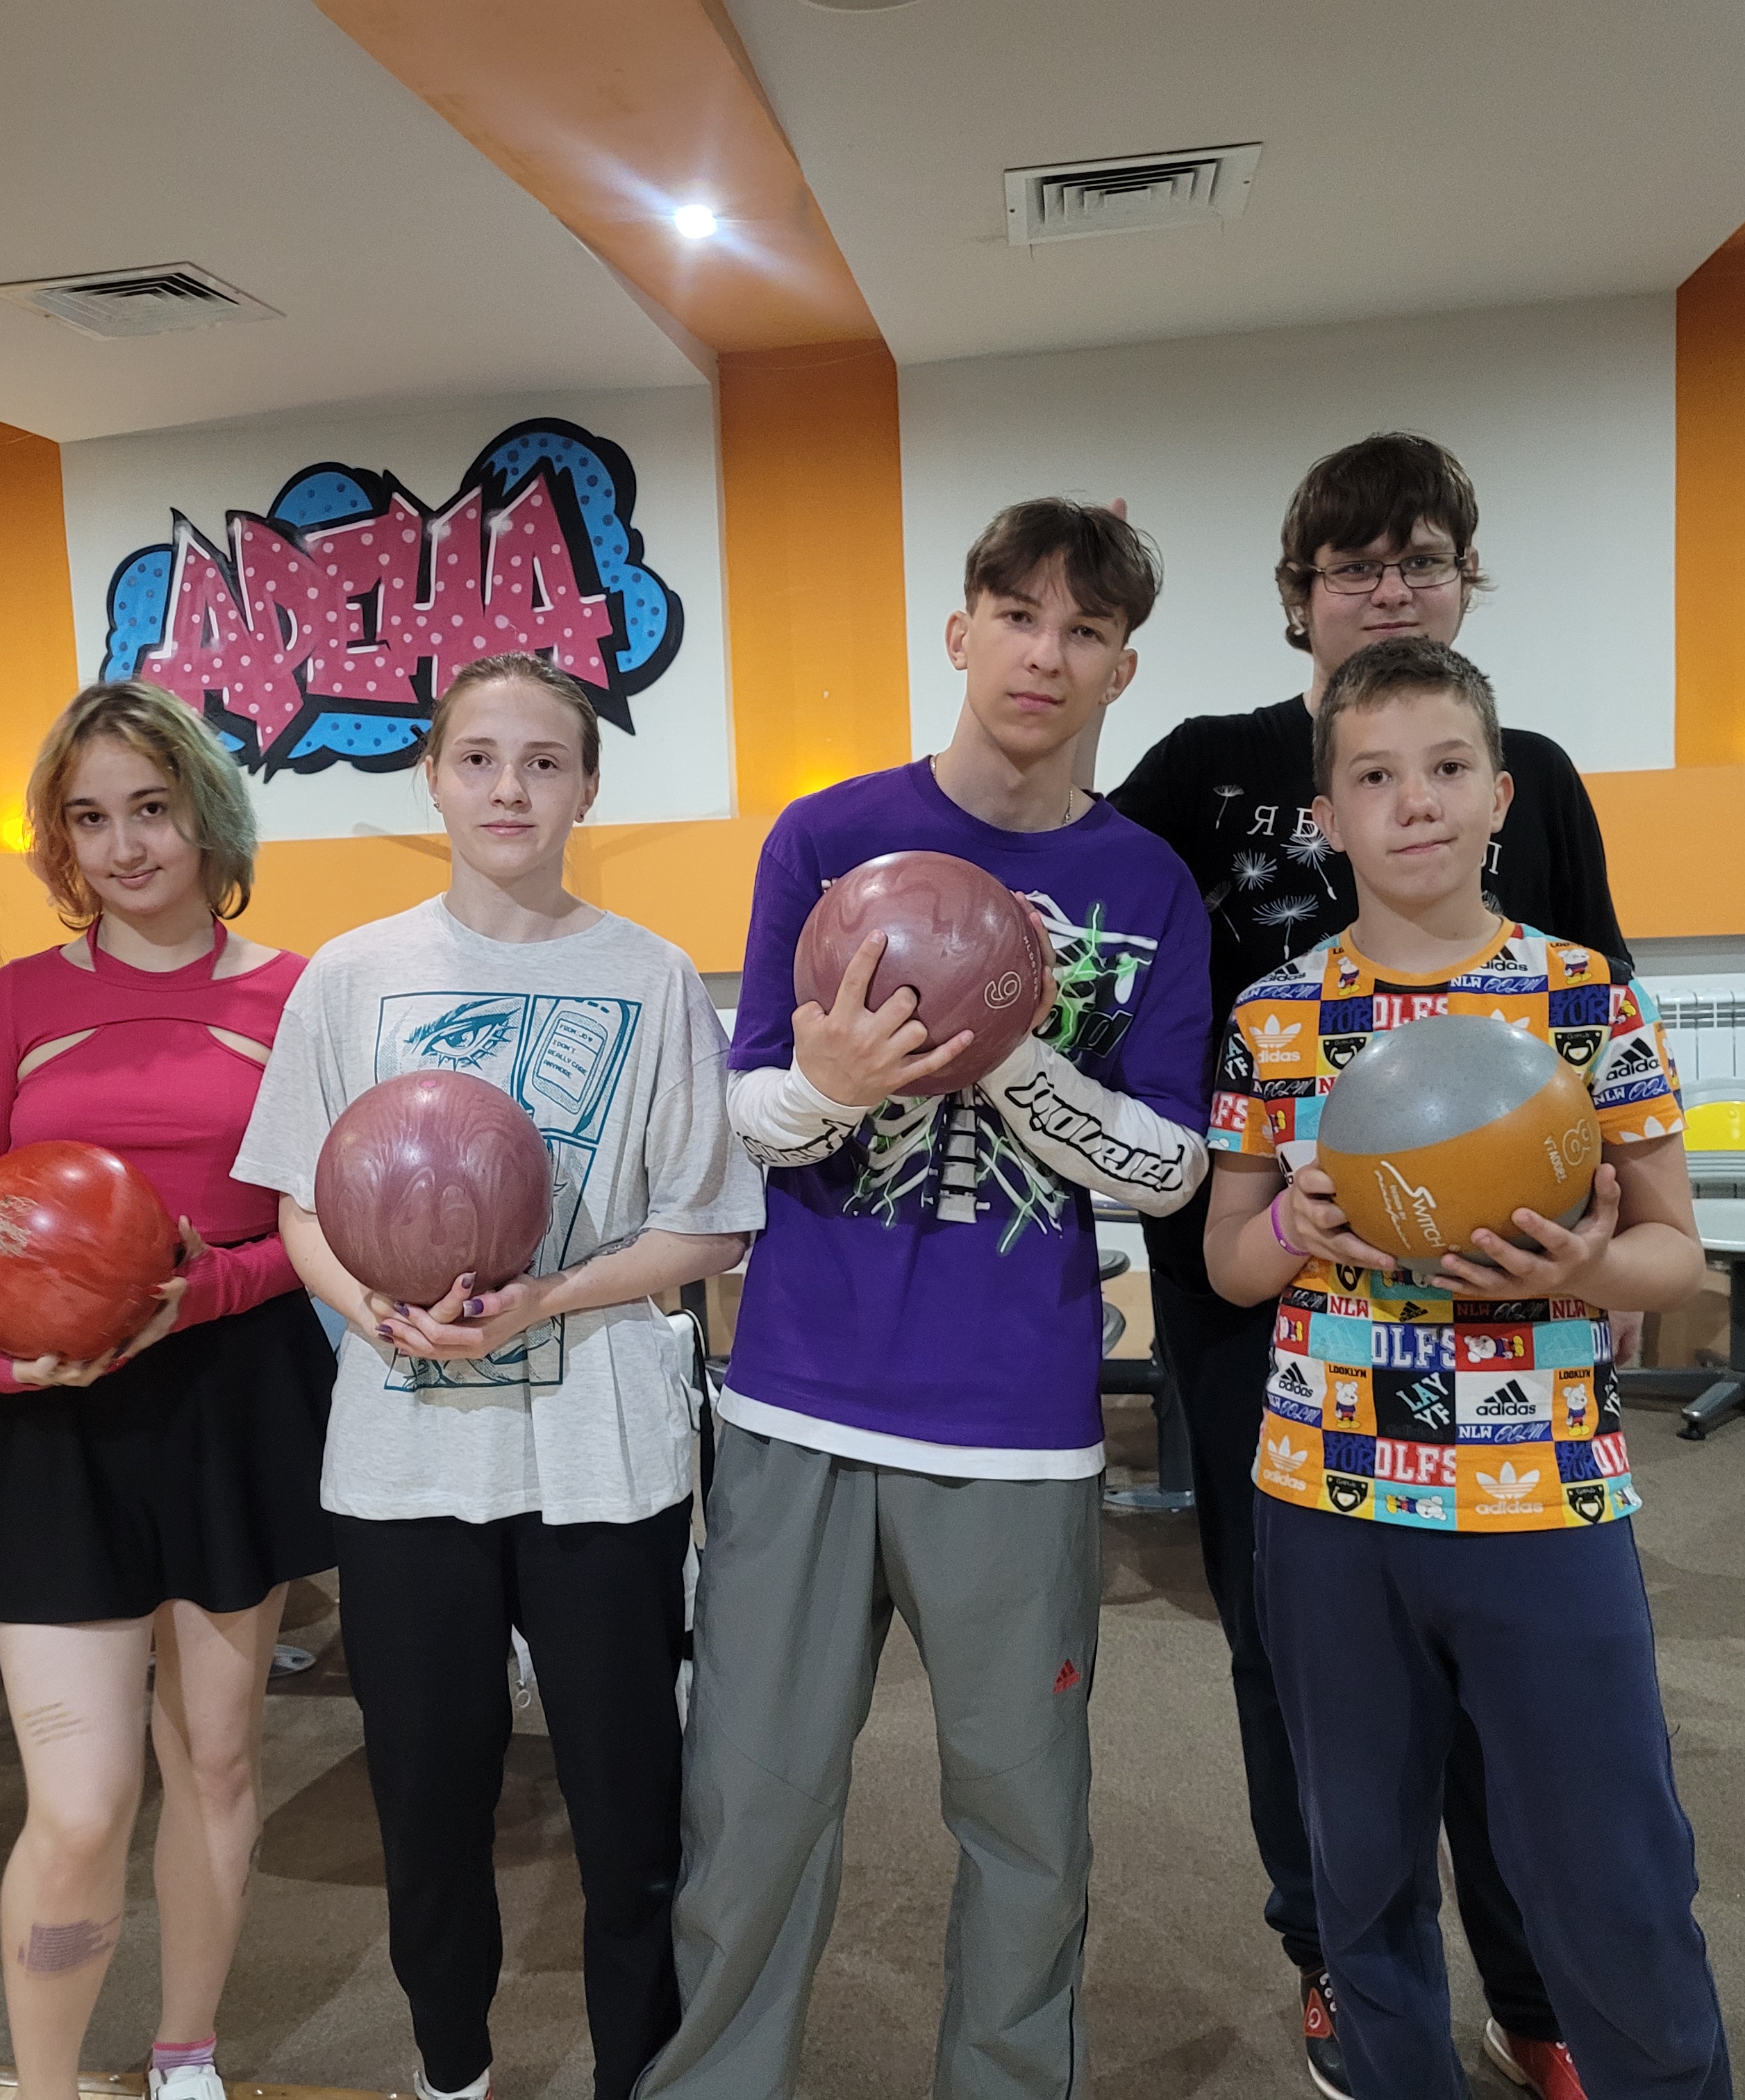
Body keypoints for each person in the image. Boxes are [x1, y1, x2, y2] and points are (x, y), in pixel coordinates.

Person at [638, 500, 1211, 2100]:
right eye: (1017, 615)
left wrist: (1012, 1050)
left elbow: (1174, 1171)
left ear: (1123, 668)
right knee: (751, 1808)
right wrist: (831, 1084)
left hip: (1016, 1426)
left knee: (1027, 1822)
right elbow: (743, 1121)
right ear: (960, 633)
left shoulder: (1146, 882)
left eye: (1086, 630)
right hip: (799, 1404)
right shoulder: (828, 840)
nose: (1047, 653)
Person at [1110, 432, 1626, 2099]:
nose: (1390, 588)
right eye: (1355, 565)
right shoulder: (1206, 769)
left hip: (1505, 1300)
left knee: (1504, 1671)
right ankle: (1337, 1955)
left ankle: (1532, 1991)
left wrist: (1607, 1246)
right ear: (1298, 596)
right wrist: (1087, 632)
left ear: (1466, 582)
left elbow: (1596, 1022)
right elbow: (1077, 895)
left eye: (1422, 559)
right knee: (1302, 1660)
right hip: (1263, 1285)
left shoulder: (1528, 769)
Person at [1202, 635, 1729, 2099]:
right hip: (1329, 1501)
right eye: (1375, 777)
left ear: (1500, 795)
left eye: (1446, 768)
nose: (1415, 801)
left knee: (1611, 1864)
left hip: (1539, 1497)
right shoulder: (1274, 1017)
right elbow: (1227, 1261)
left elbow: (1675, 1255)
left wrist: (1582, 1267)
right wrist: (1295, 1227)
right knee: (1361, 1869)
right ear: (1329, 817)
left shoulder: (1582, 998)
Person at [235, 651, 760, 2100]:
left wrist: (549, 1297)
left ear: (587, 787)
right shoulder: (353, 976)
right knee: (427, 1806)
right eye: (478, 758)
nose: (510, 787)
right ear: (434, 779)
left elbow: (712, 1223)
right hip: (405, 1466)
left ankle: (637, 2074)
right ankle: (450, 2072)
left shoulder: (651, 975)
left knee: (630, 1814)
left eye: (544, 761)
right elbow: (296, 1203)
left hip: (603, 1459)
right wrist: (372, 1308)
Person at [0, 682, 335, 2100]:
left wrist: (201, 1292)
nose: (125, 845)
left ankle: (184, 2052)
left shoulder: (300, 995)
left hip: (231, 1395)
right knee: (84, 1798)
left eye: (150, 808)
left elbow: (322, 1221)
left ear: (206, 816)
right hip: (50, 1414)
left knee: (215, 1763)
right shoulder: (13, 1004)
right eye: (90, 819)